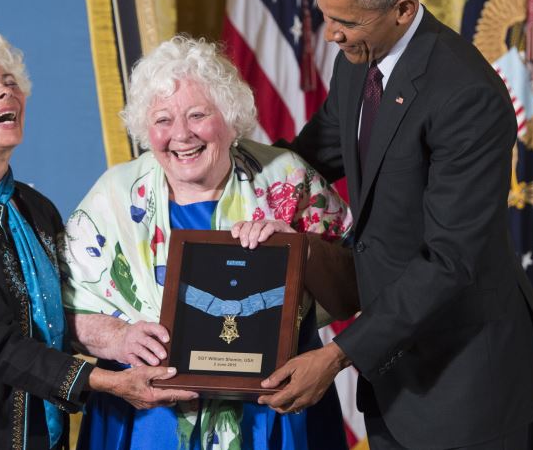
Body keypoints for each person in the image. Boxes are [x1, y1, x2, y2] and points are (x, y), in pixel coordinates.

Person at [249, 0, 533, 449]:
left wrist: (338, 354)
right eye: (326, 15)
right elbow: (308, 157)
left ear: (404, 10)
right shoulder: (358, 64)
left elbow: (450, 260)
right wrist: (219, 164)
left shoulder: (466, 97)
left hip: (462, 380)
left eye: (346, 21)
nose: (331, 35)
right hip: (392, 372)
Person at [0, 28, 196, 450]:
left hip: (38, 432)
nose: (5, 94)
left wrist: (127, 335)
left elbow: (70, 309)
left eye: (11, 84)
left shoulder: (36, 207)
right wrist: (111, 382)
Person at [62, 36, 355, 450]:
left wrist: (300, 249)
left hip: (273, 416)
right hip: (149, 420)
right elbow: (65, 308)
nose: (181, 135)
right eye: (162, 120)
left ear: (231, 117)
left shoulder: (285, 178)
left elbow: (355, 286)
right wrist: (119, 338)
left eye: (198, 115)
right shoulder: (113, 196)